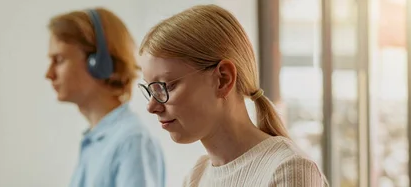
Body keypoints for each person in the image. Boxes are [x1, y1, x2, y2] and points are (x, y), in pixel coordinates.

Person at [137, 4, 329, 187]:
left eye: (167, 87)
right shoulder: (196, 176)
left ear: (223, 79)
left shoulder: (288, 169)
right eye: (151, 91)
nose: (152, 107)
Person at [45, 7, 165, 187]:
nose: (49, 74)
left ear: (99, 62)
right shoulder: (96, 142)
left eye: (59, 59)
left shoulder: (131, 141)